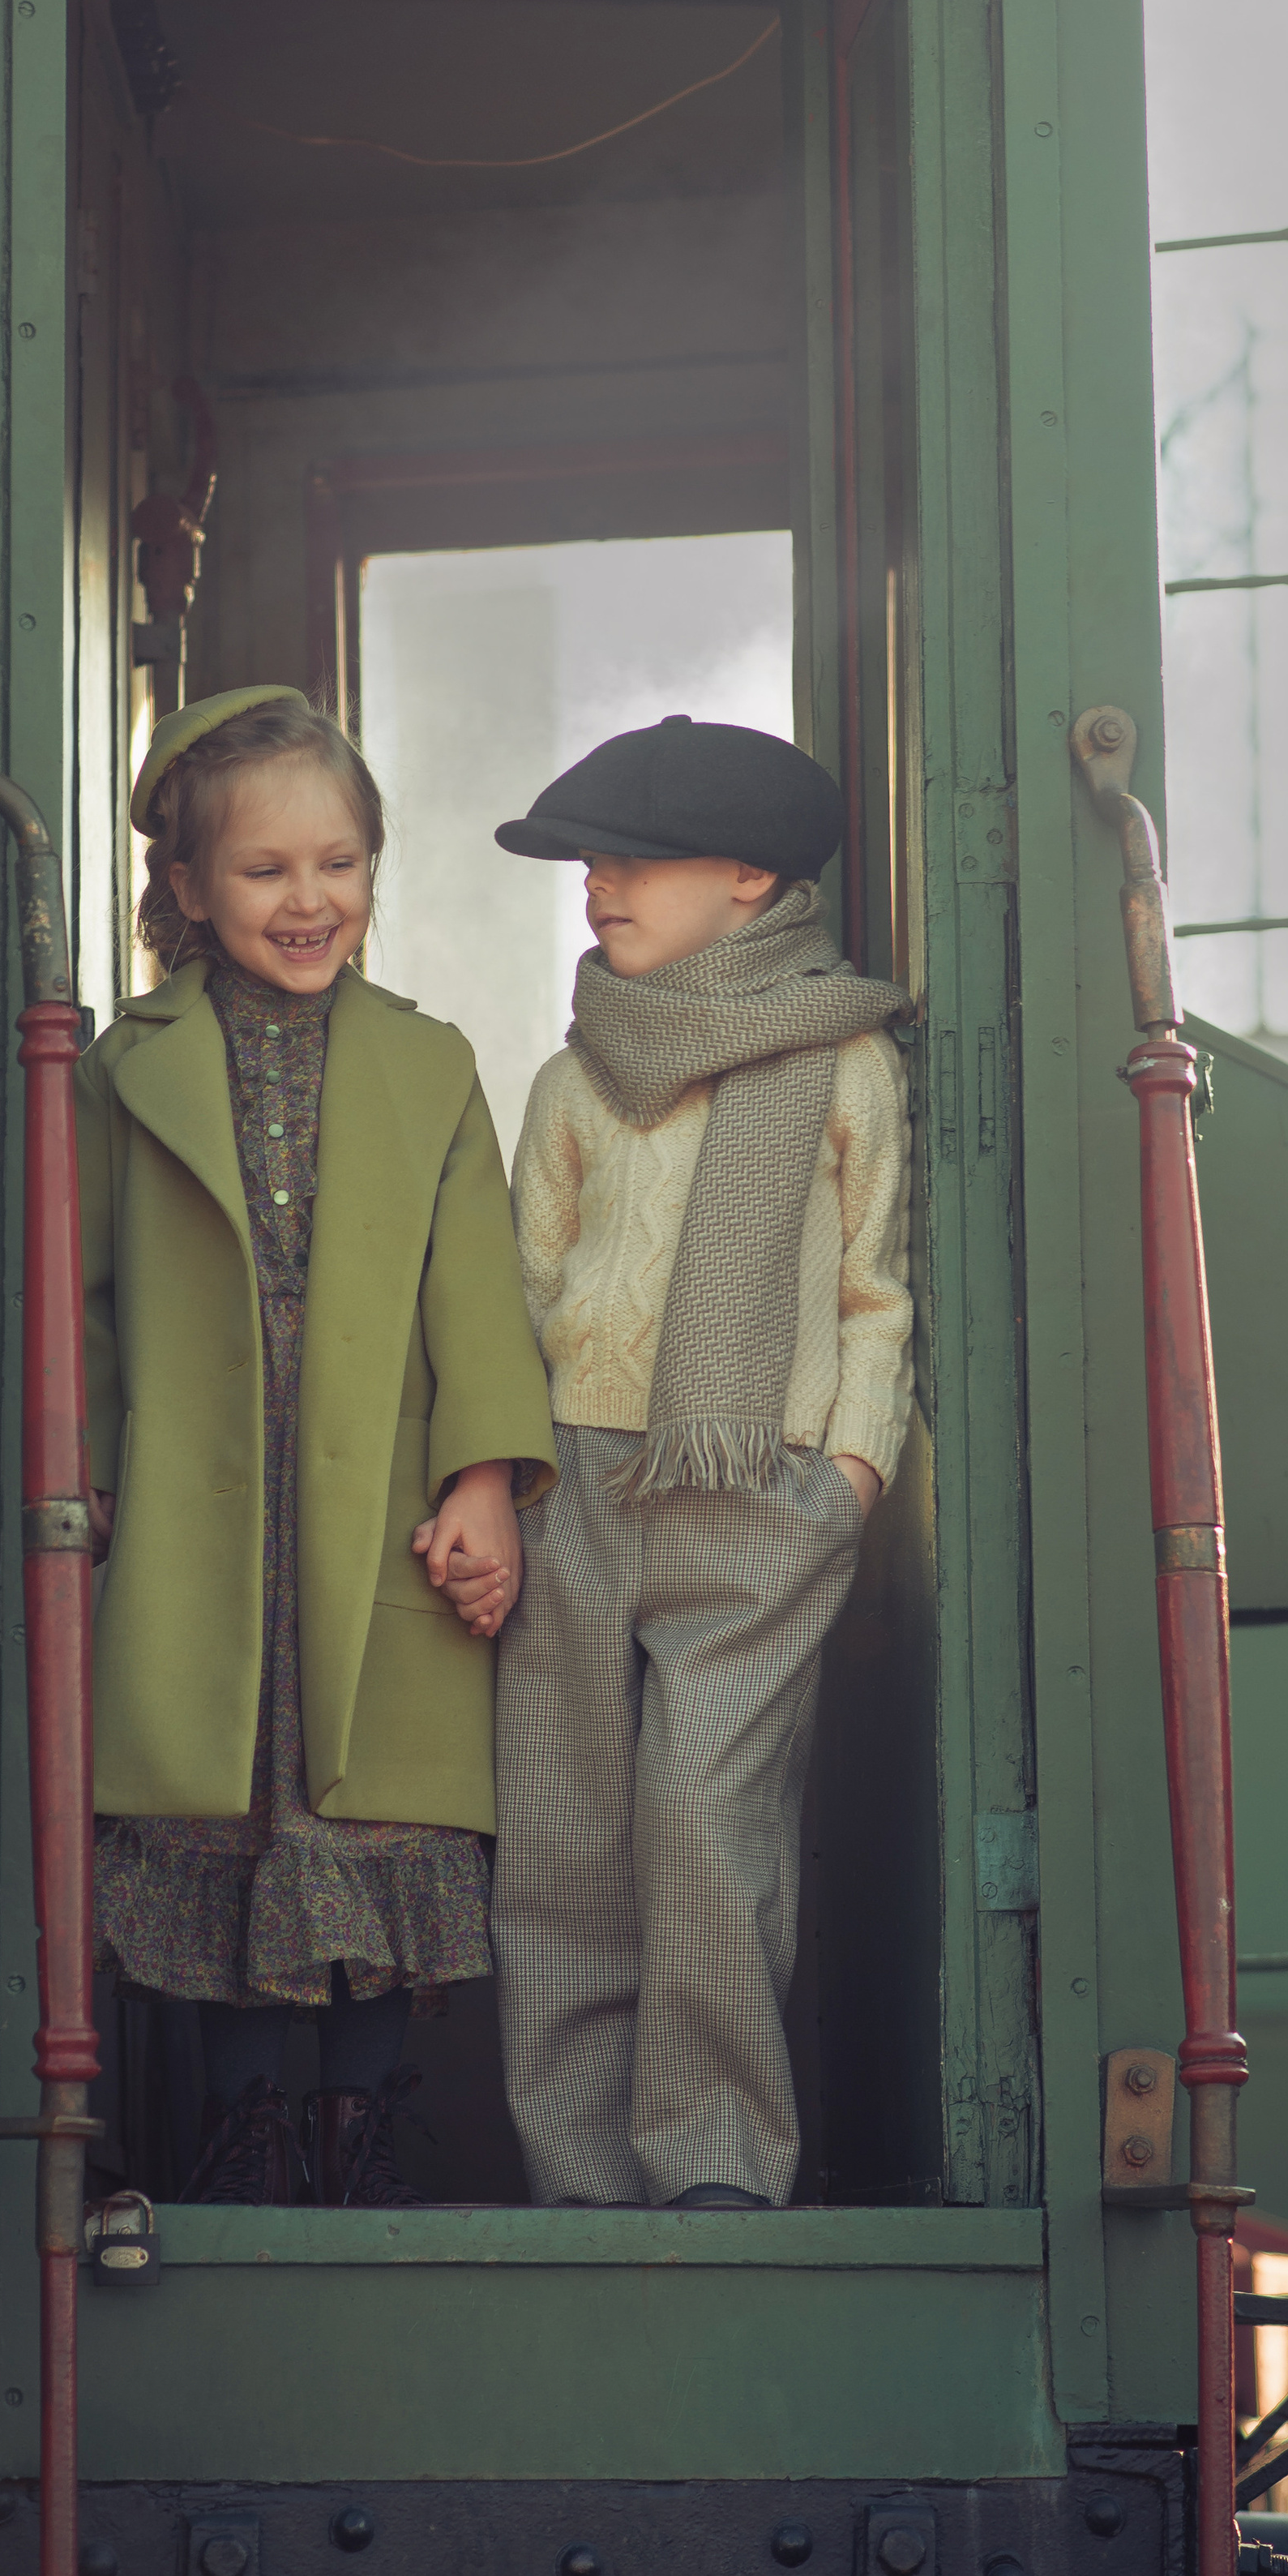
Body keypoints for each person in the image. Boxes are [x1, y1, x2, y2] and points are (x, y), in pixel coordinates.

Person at [78, 685, 555, 2208]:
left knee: (372, 1810)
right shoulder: (121, 1065)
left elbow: (475, 1291)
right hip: (198, 1514)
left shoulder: (430, 1064)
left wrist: (483, 1479)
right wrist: (87, 1480)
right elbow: (85, 1299)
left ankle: (359, 2141)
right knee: (219, 1808)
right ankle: (236, 2155)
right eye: (267, 870)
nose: (310, 900)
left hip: (376, 1514)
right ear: (191, 890)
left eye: (338, 863)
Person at [490, 714, 913, 2211]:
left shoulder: (846, 1063)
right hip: (576, 1485)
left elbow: (879, 1293)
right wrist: (511, 1470)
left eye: (630, 858)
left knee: (708, 1824)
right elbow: (518, 1292)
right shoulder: (573, 1078)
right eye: (585, 861)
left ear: (749, 876)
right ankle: (580, 2168)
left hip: (758, 1488)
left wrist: (848, 1477)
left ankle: (716, 2163)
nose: (596, 885)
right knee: (564, 1829)